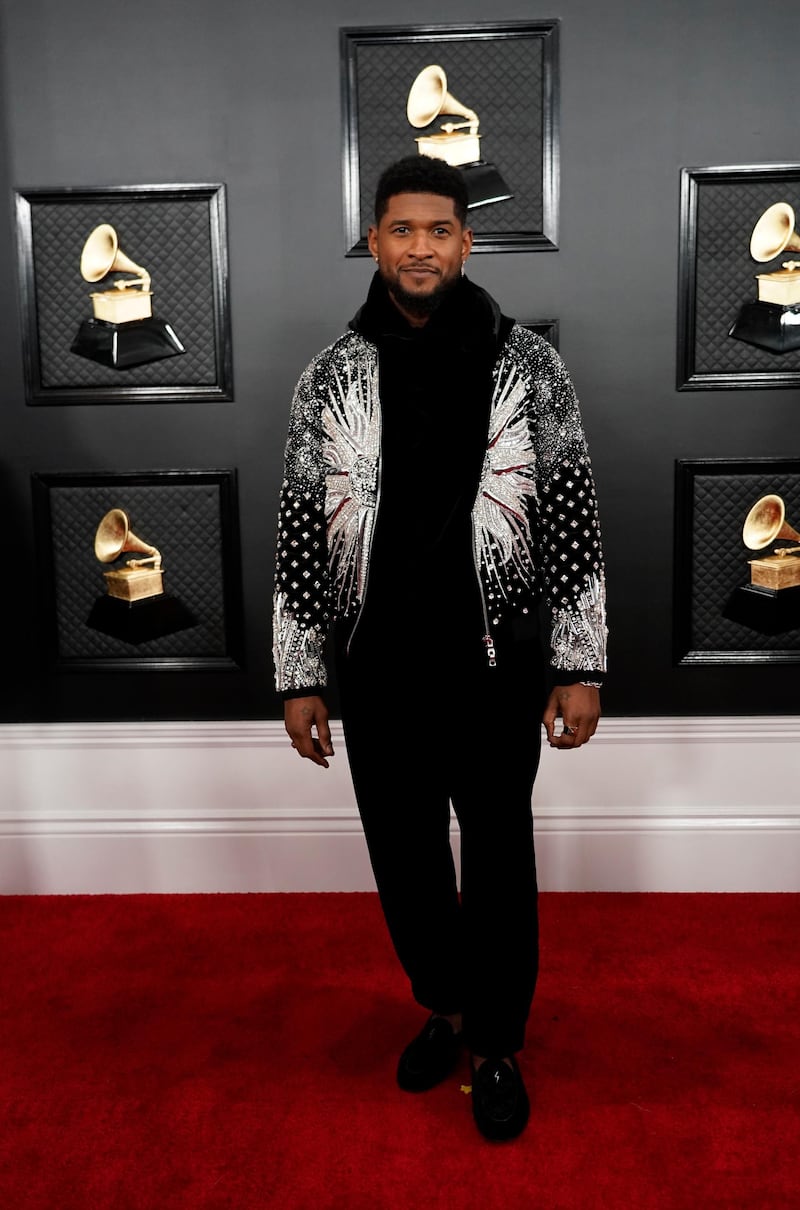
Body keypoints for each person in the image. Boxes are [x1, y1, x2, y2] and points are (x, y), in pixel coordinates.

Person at [272, 154, 608, 1142]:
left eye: (438, 230)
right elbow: (298, 527)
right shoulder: (328, 377)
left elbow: (574, 514)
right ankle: (448, 1007)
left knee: (497, 853)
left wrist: (578, 663)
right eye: (400, 229)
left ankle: (496, 1038)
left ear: (465, 241)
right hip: (377, 669)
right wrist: (301, 677)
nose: (419, 246)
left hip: (497, 666)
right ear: (373, 240)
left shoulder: (528, 367)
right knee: (406, 856)